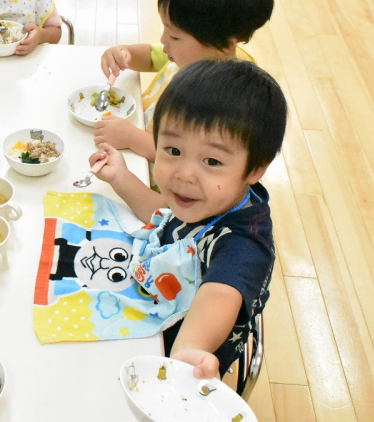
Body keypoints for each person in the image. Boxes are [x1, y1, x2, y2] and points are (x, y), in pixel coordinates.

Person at [90, 59, 287, 380]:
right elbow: (163, 215)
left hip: (171, 348)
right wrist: (121, 177)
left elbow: (220, 295)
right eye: (173, 150)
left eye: (212, 160)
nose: (184, 174)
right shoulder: (206, 199)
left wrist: (190, 349)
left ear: (255, 169)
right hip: (154, 297)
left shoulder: (243, 246)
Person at [96, 0, 274, 212]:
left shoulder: (224, 97)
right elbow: (153, 56)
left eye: (175, 36)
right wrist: (126, 54)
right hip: (142, 164)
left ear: (225, 43)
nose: (164, 41)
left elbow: (182, 152)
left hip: (173, 196)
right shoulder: (192, 55)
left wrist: (131, 137)